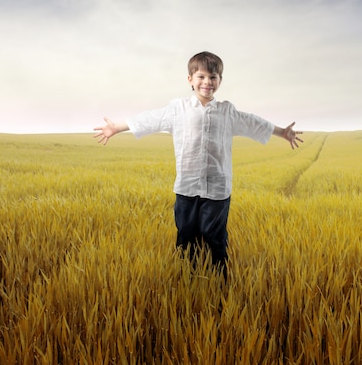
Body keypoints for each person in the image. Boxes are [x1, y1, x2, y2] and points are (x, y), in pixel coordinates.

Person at [93, 51, 303, 277]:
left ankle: (220, 280)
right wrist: (116, 127)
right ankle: (186, 279)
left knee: (215, 236)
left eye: (213, 77)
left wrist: (283, 132)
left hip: (218, 188)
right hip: (187, 187)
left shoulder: (227, 111)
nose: (207, 82)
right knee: (186, 234)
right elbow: (149, 119)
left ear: (220, 81)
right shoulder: (177, 109)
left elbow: (254, 123)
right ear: (190, 79)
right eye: (201, 76)